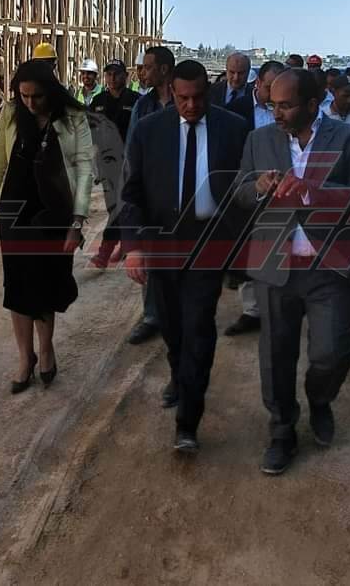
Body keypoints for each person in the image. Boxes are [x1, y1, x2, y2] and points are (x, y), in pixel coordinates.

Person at [234, 68, 350, 475]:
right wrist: (258, 187)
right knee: (275, 356)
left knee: (333, 353)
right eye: (272, 104)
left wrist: (313, 192)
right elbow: (239, 192)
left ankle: (319, 400)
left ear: (313, 105)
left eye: (286, 106)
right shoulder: (259, 139)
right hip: (276, 266)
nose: (276, 113)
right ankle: (282, 430)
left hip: (329, 268)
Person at [122, 59, 249, 454]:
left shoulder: (234, 128)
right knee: (172, 327)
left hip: (209, 241)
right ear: (172, 93)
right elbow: (132, 193)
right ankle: (179, 374)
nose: (191, 106)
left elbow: (245, 190)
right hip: (163, 242)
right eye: (182, 98)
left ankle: (187, 423)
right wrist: (134, 246)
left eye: (197, 98)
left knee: (198, 328)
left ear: (207, 92)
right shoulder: (149, 130)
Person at [0, 59, 93, 394]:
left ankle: (46, 348)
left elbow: (85, 169)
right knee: (17, 286)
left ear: (50, 91)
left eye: (37, 96)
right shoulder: (11, 113)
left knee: (46, 284)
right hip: (15, 210)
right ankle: (24, 357)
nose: (30, 103)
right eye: (23, 95)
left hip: (54, 213)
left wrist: (77, 222)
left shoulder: (73, 117)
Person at [225, 60, 286, 338]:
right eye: (269, 86)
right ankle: (252, 310)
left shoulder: (290, 110)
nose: (274, 93)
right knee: (247, 249)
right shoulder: (236, 110)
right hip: (249, 191)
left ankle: (280, 307)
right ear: (258, 83)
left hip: (283, 193)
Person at [125, 45, 176, 346]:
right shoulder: (143, 106)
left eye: (147, 67)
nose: (143, 72)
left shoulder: (186, 102)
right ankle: (152, 316)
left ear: (164, 70)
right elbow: (132, 151)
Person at [87, 59, 140, 268]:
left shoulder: (136, 101)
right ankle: (126, 244)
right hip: (106, 164)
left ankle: (105, 251)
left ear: (125, 76)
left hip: (130, 163)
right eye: (109, 74)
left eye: (117, 74)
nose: (112, 78)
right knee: (114, 207)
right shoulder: (98, 101)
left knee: (121, 206)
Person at [208, 52, 255, 130]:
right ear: (226, 70)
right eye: (232, 72)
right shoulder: (211, 91)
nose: (236, 78)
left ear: (248, 72)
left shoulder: (254, 95)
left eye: (241, 73)